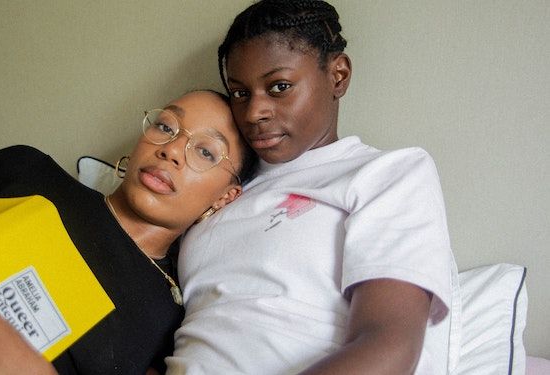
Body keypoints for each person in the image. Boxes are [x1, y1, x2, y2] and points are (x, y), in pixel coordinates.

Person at [0, 89, 258, 375]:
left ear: (225, 197)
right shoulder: (27, 169)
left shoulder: (174, 315)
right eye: (167, 127)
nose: (170, 150)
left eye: (205, 151)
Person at [167, 1, 460, 374]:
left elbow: (388, 345)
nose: (255, 112)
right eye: (240, 93)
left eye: (280, 87)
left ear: (337, 75)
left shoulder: (386, 173)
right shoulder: (223, 187)